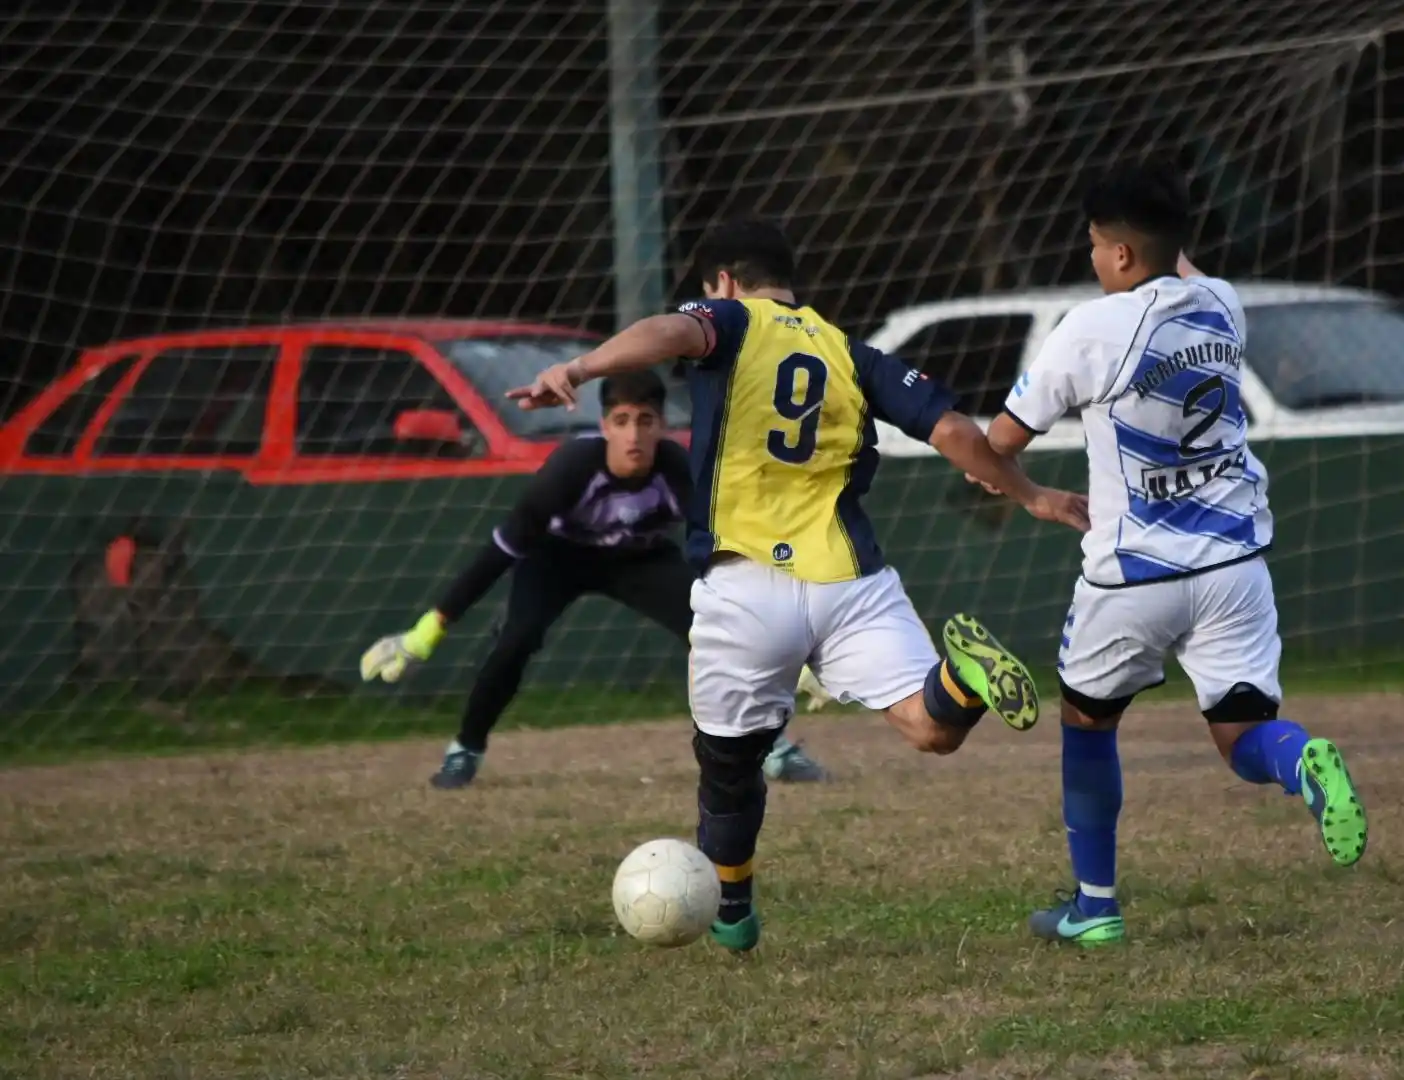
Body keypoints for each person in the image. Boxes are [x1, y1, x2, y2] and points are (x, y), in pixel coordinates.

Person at [507, 218, 1090, 951]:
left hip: (747, 584)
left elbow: (667, 332)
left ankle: (733, 911)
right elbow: (951, 432)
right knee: (930, 726)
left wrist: (584, 367)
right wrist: (1032, 493)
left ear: (720, 282)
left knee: (729, 762)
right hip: (850, 578)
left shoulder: (723, 319)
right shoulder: (851, 351)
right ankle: (964, 676)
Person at [971, 160, 1367, 946]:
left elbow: (1001, 441)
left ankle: (1095, 906)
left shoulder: (1089, 327)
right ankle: (1304, 762)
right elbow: (1176, 265)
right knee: (1242, 735)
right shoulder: (1222, 304)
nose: (1090, 257)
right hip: (1234, 567)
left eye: (1093, 244)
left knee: (1086, 724)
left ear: (1119, 255)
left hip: (1135, 574)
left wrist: (1027, 492)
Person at [360, 369, 830, 787]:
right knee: (516, 640)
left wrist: (780, 648)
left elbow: (728, 561)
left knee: (715, 633)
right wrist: (427, 633)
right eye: (622, 420)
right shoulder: (567, 471)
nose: (634, 435)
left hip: (639, 559)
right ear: (604, 426)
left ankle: (774, 748)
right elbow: (497, 555)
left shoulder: (677, 470)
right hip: (557, 560)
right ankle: (464, 749)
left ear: (661, 426)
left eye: (645, 421)